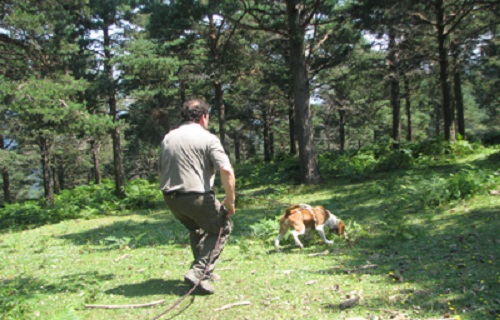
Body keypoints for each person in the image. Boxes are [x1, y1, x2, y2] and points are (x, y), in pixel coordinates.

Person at [159, 98, 236, 295]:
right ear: (203, 117)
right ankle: (199, 272)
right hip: (196, 196)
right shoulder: (208, 138)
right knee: (222, 228)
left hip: (171, 198)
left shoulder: (168, 137)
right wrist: (230, 200)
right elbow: (226, 169)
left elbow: (162, 169)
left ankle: (202, 274)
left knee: (197, 229)